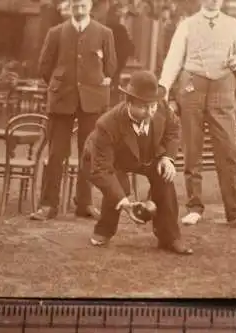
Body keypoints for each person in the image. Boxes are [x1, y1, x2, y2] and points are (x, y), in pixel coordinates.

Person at [158, 0, 236, 229]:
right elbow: (174, 57)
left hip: (222, 87)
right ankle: (194, 207)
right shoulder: (187, 24)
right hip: (192, 85)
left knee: (228, 149)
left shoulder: (232, 24)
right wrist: (164, 88)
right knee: (191, 148)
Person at [81, 70, 193, 255]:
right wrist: (125, 203)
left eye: (152, 106)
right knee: (119, 187)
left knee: (164, 177)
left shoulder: (162, 108)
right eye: (143, 107)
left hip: (147, 156)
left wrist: (168, 158)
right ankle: (104, 231)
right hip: (107, 160)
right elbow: (102, 169)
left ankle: (170, 237)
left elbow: (173, 130)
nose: (150, 112)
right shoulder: (107, 124)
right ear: (128, 103)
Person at [30, 0, 117, 221]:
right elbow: (44, 67)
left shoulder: (104, 33)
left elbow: (111, 66)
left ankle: (85, 203)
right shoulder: (56, 33)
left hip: (92, 100)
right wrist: (60, 85)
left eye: (83, 5)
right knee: (56, 153)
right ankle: (48, 205)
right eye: (75, 5)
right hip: (61, 100)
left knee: (88, 153)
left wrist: (94, 83)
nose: (79, 10)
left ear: (90, 5)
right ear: (69, 6)